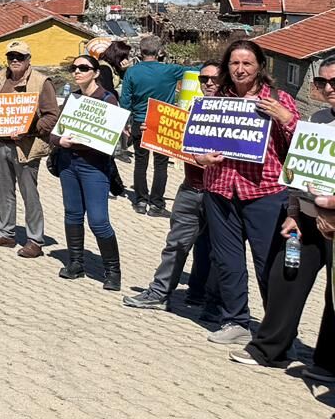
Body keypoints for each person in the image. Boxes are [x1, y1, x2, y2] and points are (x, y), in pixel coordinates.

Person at [229, 56, 335, 379]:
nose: (328, 88)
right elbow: (297, 172)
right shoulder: (316, 119)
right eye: (322, 82)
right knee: (284, 277)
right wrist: (292, 211)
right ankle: (269, 349)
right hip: (304, 217)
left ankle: (328, 362)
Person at [197, 38, 300, 345]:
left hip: (265, 193)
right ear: (227, 66)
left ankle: (277, 331)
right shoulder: (218, 99)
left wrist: (284, 117)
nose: (240, 70)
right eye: (234, 63)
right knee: (228, 262)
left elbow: (302, 146)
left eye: (247, 64)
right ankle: (235, 320)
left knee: (268, 264)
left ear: (259, 67)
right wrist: (200, 158)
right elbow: (195, 143)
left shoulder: (279, 98)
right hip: (220, 191)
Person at [125, 62, 226, 313]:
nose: (209, 84)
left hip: (220, 193)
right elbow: (178, 140)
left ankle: (209, 301)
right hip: (191, 188)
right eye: (204, 79)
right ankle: (159, 293)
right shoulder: (194, 107)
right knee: (176, 244)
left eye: (215, 79)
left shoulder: (235, 113)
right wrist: (155, 133)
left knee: (216, 251)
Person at [0, 40, 61, 258]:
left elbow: (52, 116)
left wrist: (29, 129)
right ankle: (6, 231)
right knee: (3, 189)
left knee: (29, 192)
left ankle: (35, 239)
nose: (15, 61)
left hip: (26, 147)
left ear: (28, 60)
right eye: (11, 57)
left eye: (20, 57)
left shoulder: (42, 82)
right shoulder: (0, 77)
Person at [47, 53, 123, 289]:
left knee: (99, 220)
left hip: (95, 167)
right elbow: (54, 133)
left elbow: (109, 140)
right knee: (72, 214)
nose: (77, 71)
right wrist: (61, 143)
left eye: (83, 67)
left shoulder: (108, 100)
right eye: (74, 68)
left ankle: (112, 271)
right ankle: (76, 262)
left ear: (96, 72)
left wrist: (74, 142)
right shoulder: (72, 98)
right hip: (69, 164)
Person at [119, 35, 190, 216]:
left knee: (141, 163)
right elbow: (195, 71)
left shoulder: (132, 72)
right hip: (162, 121)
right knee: (161, 164)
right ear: (159, 52)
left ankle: (141, 201)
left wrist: (126, 123)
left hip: (139, 122)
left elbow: (125, 100)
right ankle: (156, 204)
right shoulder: (171, 70)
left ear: (140, 52)